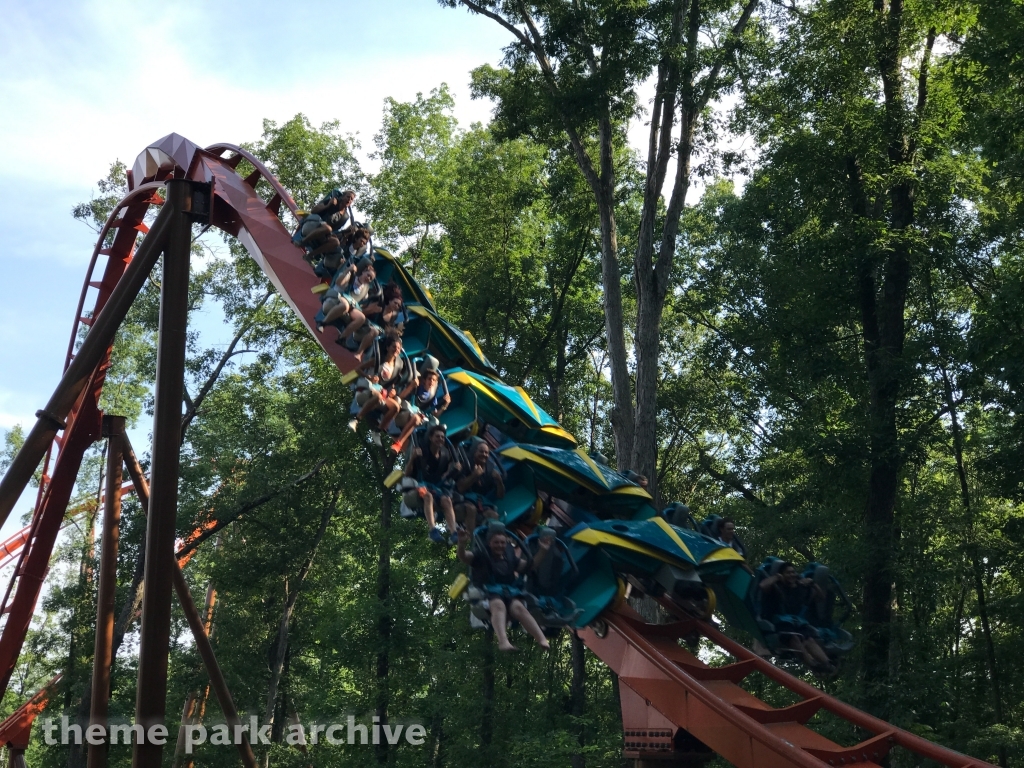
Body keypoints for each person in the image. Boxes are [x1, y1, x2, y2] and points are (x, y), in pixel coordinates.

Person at [457, 521, 550, 652]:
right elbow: (464, 556)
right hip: (487, 591)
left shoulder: (509, 555)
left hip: (508, 591)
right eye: (496, 542)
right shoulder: (481, 554)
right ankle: (503, 642)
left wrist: (543, 551)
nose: (500, 546)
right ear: (489, 543)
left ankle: (541, 639)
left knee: (519, 607)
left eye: (502, 543)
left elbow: (530, 566)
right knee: (498, 605)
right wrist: (461, 543)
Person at [758, 562, 832, 670]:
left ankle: (828, 664)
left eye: (793, 572)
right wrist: (777, 577)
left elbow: (821, 598)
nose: (792, 575)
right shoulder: (777, 587)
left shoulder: (800, 588)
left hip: (797, 622)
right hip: (781, 623)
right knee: (794, 637)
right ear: (782, 574)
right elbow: (762, 585)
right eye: (788, 573)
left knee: (809, 640)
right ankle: (812, 664)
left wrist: (813, 583)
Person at [403, 424, 461, 544]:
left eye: (442, 437)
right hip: (420, 485)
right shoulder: (422, 451)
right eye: (437, 436)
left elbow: (446, 473)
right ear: (430, 438)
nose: (440, 439)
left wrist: (454, 469)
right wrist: (413, 458)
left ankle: (453, 532)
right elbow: (407, 473)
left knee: (447, 500)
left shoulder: (445, 454)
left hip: (437, 486)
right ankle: (432, 530)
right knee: (427, 495)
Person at [351, 334, 411, 435]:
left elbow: (391, 383)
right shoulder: (379, 360)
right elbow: (358, 369)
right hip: (368, 388)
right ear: (388, 348)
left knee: (396, 406)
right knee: (378, 396)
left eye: (398, 348)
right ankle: (356, 419)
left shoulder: (398, 366)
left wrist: (393, 390)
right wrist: (369, 376)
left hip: (381, 392)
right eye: (394, 347)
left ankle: (378, 430)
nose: (396, 350)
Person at [455, 438, 505, 533]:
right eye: (481, 452)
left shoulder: (490, 469)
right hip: (462, 499)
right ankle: (471, 538)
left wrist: (499, 481)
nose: (484, 455)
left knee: (493, 515)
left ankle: (492, 538)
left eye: (486, 453)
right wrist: (474, 475)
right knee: (471, 509)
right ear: (474, 452)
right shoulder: (466, 464)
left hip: (480, 502)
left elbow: (500, 496)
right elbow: (460, 488)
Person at [317, 267, 367, 345]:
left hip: (350, 305)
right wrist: (348, 270)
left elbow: (363, 302)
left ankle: (342, 338)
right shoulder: (350, 275)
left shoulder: (364, 290)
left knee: (361, 318)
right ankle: (322, 323)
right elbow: (339, 282)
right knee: (345, 306)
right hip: (336, 299)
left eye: (371, 279)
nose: (368, 278)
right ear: (363, 272)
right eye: (368, 275)